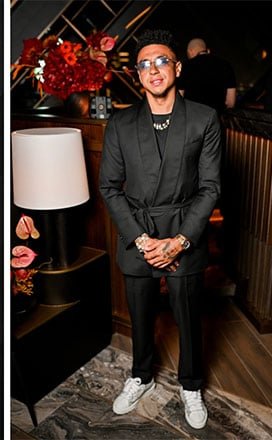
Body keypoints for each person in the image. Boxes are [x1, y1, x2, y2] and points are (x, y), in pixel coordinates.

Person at [99, 29, 220, 430]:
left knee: (188, 316)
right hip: (138, 233)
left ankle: (191, 384)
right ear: (137, 74)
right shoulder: (121, 123)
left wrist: (180, 241)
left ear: (177, 67)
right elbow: (109, 186)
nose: (153, 70)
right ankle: (141, 375)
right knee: (140, 315)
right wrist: (142, 239)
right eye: (145, 64)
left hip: (185, 231)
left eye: (162, 61)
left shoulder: (204, 118)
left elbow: (210, 187)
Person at [177, 37, 237, 114]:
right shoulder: (225, 65)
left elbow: (180, 98)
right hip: (217, 116)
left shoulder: (185, 67)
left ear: (190, 51)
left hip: (193, 116)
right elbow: (231, 102)